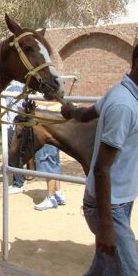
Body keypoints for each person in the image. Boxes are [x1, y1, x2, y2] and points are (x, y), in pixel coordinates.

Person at [61, 44, 138, 275]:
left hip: (120, 201)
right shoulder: (124, 105)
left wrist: (71, 111)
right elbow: (101, 169)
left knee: (102, 268)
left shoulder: (121, 94)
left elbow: (87, 114)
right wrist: (106, 228)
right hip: (108, 207)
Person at [4, 80, 26, 194]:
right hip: (13, 125)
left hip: (13, 126)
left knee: (14, 154)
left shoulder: (12, 88)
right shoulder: (21, 87)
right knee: (14, 154)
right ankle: (17, 181)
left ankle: (18, 183)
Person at [33, 144, 66, 210]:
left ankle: (51, 198)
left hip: (46, 140)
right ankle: (58, 194)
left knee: (48, 164)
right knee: (54, 163)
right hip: (54, 140)